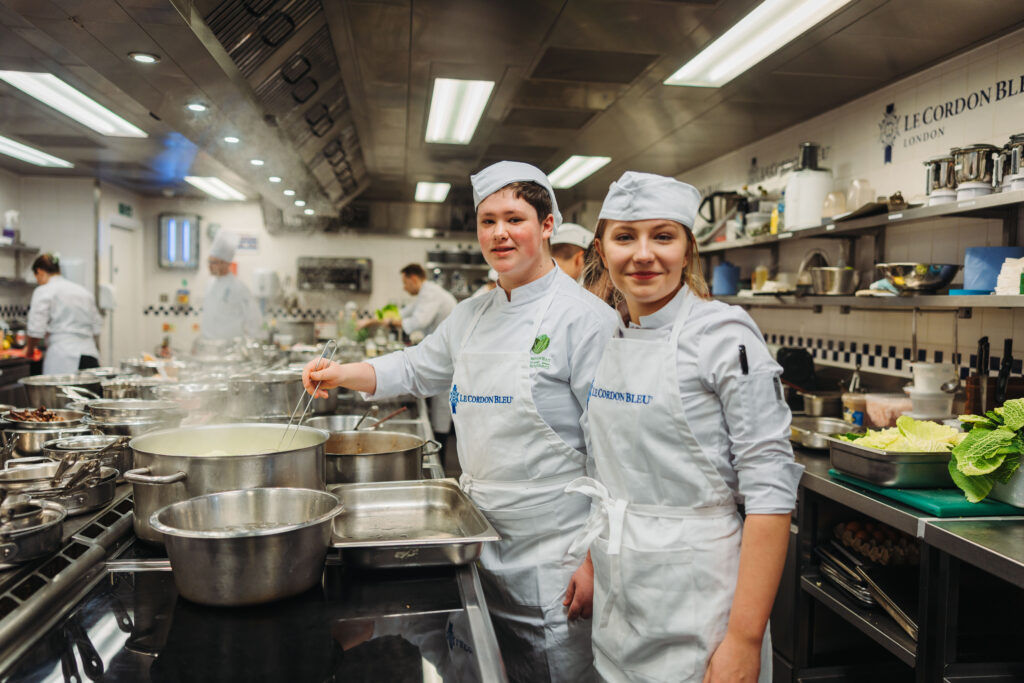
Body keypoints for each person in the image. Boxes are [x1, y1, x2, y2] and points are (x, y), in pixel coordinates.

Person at [303, 161, 618, 682]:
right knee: (482, 667)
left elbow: (612, 453)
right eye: (487, 221)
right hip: (479, 539)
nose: (499, 233)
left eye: (514, 219)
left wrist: (594, 559)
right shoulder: (472, 314)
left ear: (546, 225)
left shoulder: (586, 320)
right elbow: (415, 367)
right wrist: (341, 374)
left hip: (555, 554)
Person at [568, 171, 804, 683]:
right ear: (602, 250)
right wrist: (590, 562)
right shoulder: (608, 338)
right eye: (625, 237)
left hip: (699, 604)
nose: (643, 254)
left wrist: (744, 640)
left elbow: (770, 495)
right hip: (619, 594)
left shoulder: (724, 336)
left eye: (663, 236)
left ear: (688, 248)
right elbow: (606, 467)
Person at [25, 253, 103, 374]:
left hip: (62, 358)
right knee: (89, 387)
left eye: (36, 277)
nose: (38, 281)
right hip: (90, 354)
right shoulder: (83, 292)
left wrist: (29, 350)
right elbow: (97, 327)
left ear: (39, 272)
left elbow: (36, 331)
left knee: (60, 387)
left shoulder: (43, 291)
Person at [199, 230, 262, 340]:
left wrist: (248, 343)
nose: (210, 266)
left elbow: (254, 319)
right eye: (209, 261)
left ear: (226, 263)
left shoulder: (239, 288)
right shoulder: (210, 284)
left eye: (214, 262)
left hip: (230, 347)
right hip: (208, 345)